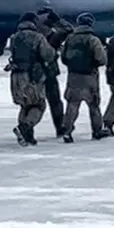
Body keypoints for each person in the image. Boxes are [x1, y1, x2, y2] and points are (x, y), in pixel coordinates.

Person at [6, 11, 55, 146]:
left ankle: (27, 136)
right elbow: (48, 54)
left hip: (16, 75)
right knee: (38, 104)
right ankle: (25, 127)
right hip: (32, 75)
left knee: (25, 104)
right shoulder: (37, 37)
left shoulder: (14, 37)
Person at [58, 12, 107, 142]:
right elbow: (101, 59)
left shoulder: (70, 39)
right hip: (90, 76)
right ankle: (97, 131)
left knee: (72, 105)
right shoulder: (93, 39)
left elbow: (63, 57)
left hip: (73, 76)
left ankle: (67, 131)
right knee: (94, 105)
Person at [35, 8, 72, 136]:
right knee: (55, 101)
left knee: (31, 103)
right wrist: (58, 20)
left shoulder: (30, 35)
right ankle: (60, 127)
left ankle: (26, 127)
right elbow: (68, 29)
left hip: (33, 73)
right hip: (49, 71)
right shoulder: (52, 37)